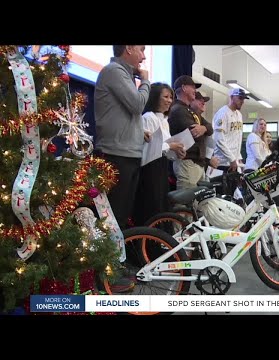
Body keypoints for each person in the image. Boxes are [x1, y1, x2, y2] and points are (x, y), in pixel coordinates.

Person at [94, 45, 150, 292]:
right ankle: (106, 273)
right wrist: (146, 82)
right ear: (128, 48)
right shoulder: (114, 71)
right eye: (141, 49)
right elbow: (137, 104)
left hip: (127, 154)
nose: (144, 56)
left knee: (120, 215)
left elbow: (128, 115)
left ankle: (115, 266)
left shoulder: (123, 75)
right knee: (112, 216)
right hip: (116, 155)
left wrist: (140, 132)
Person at [133, 83, 186, 226]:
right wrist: (170, 146)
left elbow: (165, 148)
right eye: (166, 97)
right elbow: (149, 146)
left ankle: (162, 240)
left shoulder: (164, 120)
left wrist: (177, 151)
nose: (169, 100)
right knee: (152, 205)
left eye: (171, 97)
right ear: (155, 97)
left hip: (161, 167)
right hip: (150, 168)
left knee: (162, 205)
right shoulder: (148, 117)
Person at [168, 75, 213, 189]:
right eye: (193, 87)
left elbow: (210, 128)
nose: (195, 90)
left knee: (198, 202)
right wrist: (202, 130)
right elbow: (194, 134)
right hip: (187, 162)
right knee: (186, 203)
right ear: (184, 88)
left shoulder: (190, 111)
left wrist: (203, 128)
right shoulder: (178, 109)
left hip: (196, 163)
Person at [212, 88, 248, 195]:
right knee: (223, 195)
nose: (242, 101)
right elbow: (219, 140)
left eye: (243, 99)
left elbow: (236, 138)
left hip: (234, 163)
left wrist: (239, 157)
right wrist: (232, 158)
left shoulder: (239, 115)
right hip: (222, 163)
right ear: (231, 97)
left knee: (233, 195)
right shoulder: (222, 113)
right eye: (240, 98)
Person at [189, 91, 219, 171]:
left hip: (201, 163)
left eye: (204, 101)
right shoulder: (189, 115)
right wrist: (208, 159)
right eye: (199, 99)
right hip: (191, 162)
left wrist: (204, 128)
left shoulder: (200, 118)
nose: (203, 102)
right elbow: (196, 139)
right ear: (191, 101)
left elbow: (210, 128)